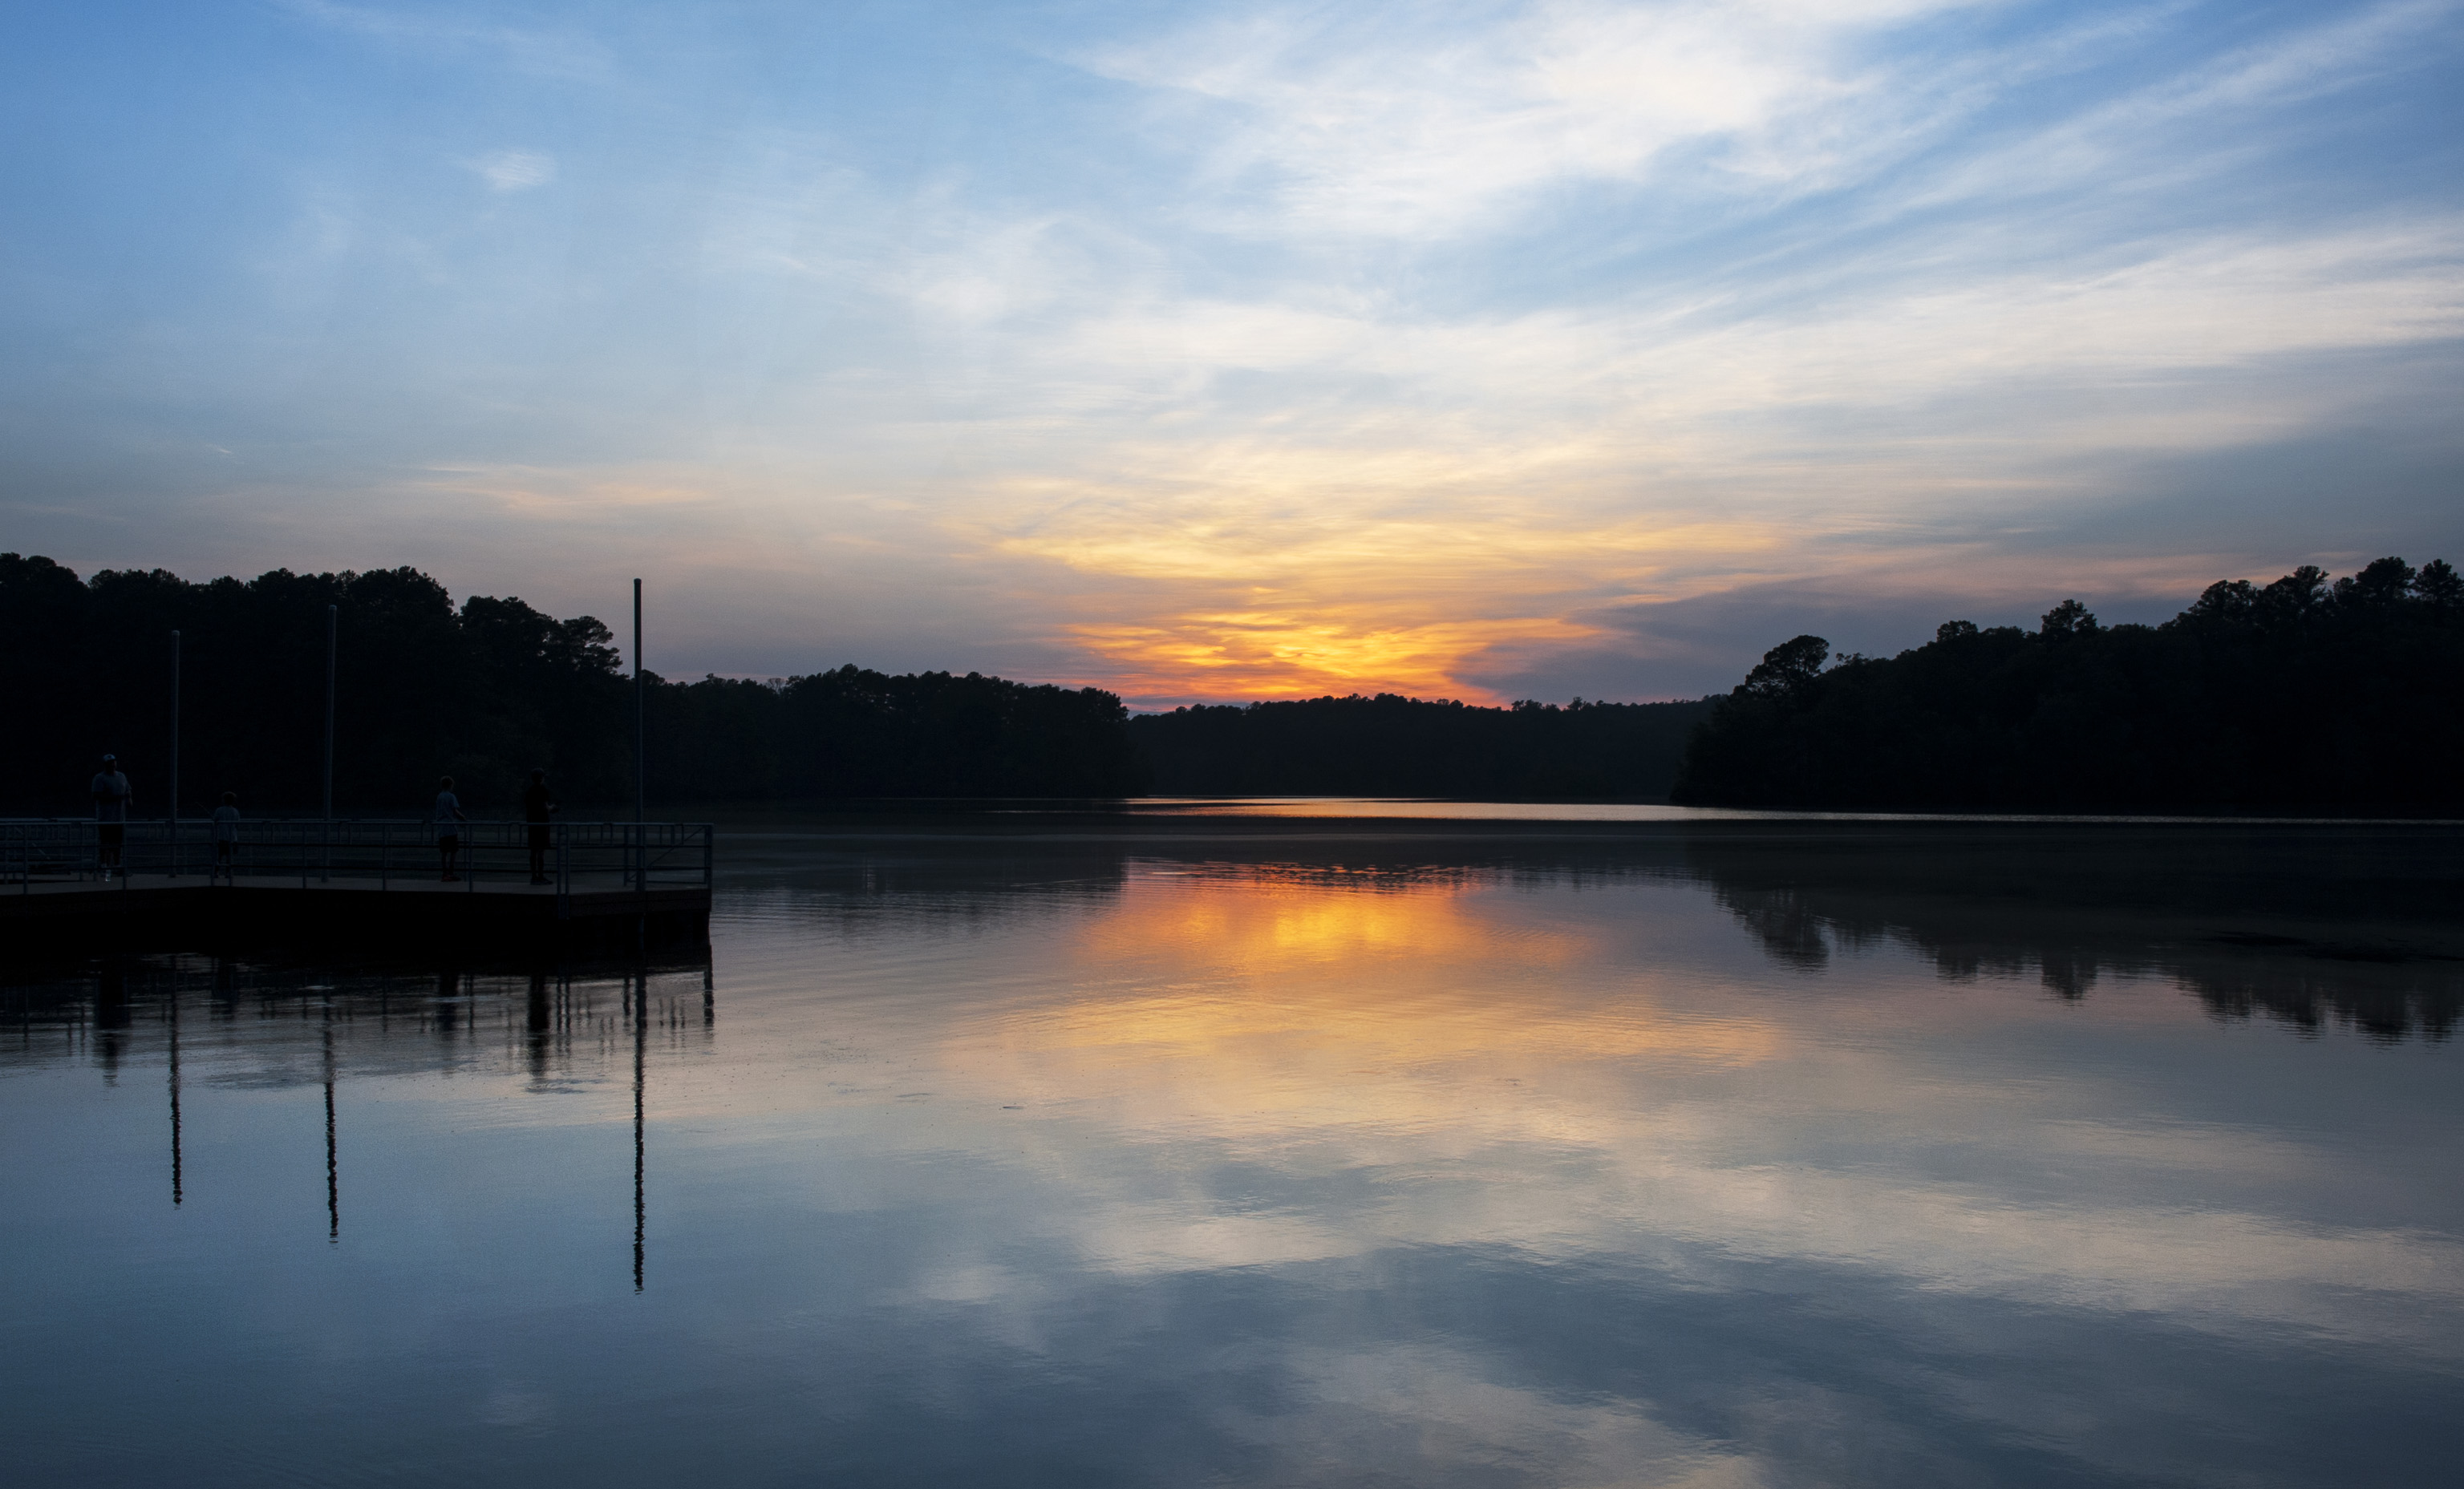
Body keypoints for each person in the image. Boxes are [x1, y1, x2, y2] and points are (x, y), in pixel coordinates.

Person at [90, 754, 132, 879]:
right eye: (110, 763)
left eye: (114, 762)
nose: (112, 765)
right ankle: (104, 866)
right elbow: (96, 795)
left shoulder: (121, 776)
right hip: (105, 817)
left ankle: (117, 865)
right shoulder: (100, 778)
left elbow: (128, 790)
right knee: (105, 842)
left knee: (118, 842)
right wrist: (115, 798)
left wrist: (129, 799)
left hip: (120, 818)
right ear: (105, 765)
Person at [521, 769, 557, 885]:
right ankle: (540, 876)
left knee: (533, 851)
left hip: (532, 823)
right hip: (542, 823)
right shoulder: (543, 790)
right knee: (541, 851)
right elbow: (545, 807)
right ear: (541, 778)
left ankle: (534, 876)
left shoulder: (529, 791)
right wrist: (553, 808)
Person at [433, 775, 468, 881]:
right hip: (450, 827)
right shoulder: (451, 796)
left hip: (442, 828)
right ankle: (451, 873)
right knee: (453, 851)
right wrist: (463, 819)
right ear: (450, 785)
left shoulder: (439, 796)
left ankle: (444, 874)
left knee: (444, 852)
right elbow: (455, 811)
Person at [210, 791, 241, 884]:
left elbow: (215, 821)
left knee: (219, 856)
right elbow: (237, 825)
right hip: (232, 837)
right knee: (229, 857)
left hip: (221, 837)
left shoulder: (219, 810)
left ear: (224, 800)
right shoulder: (235, 811)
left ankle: (216, 872)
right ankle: (228, 873)